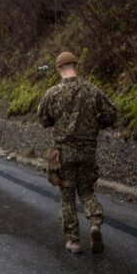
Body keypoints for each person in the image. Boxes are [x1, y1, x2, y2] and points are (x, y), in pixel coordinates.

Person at [37, 52, 117, 254]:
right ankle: (94, 223)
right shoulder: (92, 90)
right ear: (75, 65)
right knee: (86, 191)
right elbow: (110, 115)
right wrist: (94, 123)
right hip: (88, 151)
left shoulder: (52, 93)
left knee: (67, 196)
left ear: (58, 69)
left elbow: (44, 120)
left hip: (64, 153)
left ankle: (73, 240)